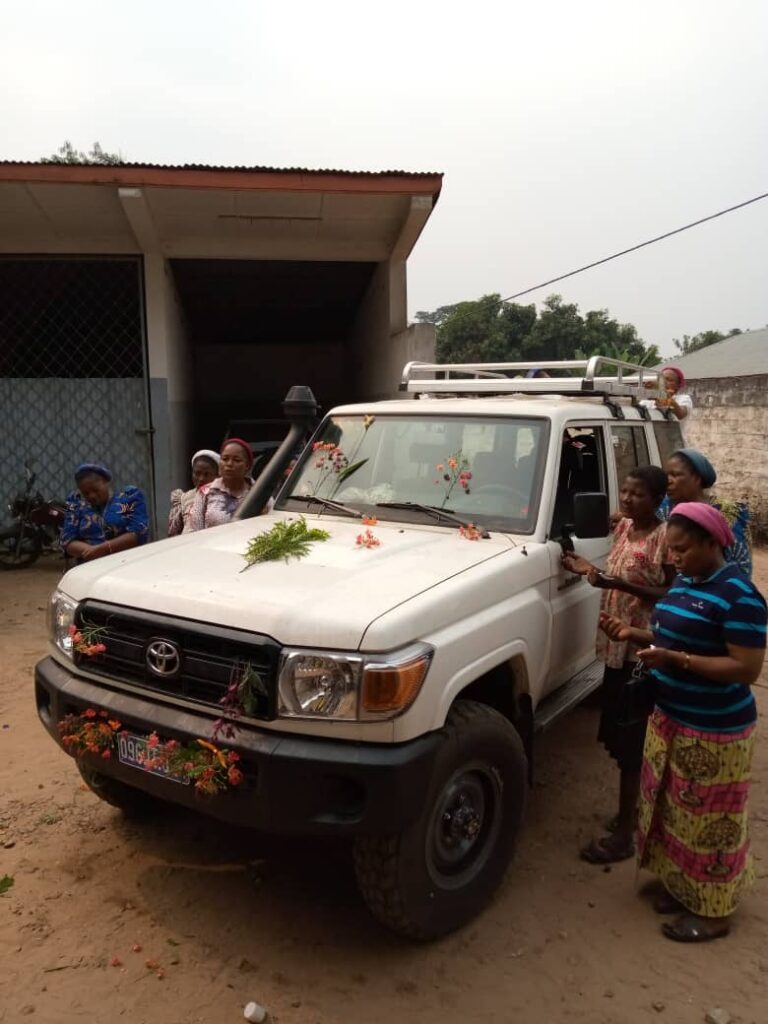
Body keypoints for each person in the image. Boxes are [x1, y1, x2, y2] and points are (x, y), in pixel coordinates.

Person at [600, 503, 766, 942]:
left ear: (713, 543)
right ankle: (682, 887)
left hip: (714, 729)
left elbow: (745, 669)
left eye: (683, 549)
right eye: (671, 549)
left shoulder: (739, 596)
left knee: (710, 821)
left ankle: (714, 911)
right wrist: (633, 634)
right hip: (670, 716)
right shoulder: (688, 581)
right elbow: (672, 633)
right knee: (673, 810)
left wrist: (678, 660)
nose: (674, 558)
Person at [562, 465, 674, 863]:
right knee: (617, 734)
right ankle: (630, 815)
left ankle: (626, 834)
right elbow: (611, 574)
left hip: (640, 649)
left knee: (631, 743)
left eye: (637, 494)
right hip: (614, 648)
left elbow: (671, 591)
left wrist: (617, 584)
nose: (627, 500)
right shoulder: (624, 528)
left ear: (659, 500)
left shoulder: (665, 538)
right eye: (624, 492)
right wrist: (588, 571)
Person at [659, 448, 752, 578]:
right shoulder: (662, 508)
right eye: (666, 475)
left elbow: (740, 564)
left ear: (697, 478)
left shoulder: (726, 512)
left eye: (675, 475)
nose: (668, 481)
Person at [61, 463, 149, 562]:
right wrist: (93, 553)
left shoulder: (127, 500)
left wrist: (103, 549)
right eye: (86, 493)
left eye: (95, 490)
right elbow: (67, 540)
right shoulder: (74, 504)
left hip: (125, 562)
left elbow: (138, 533)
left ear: (106, 482)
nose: (91, 496)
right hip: (90, 565)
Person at [186, 438, 253, 532]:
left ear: (247, 466)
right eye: (225, 459)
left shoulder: (259, 492)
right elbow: (195, 531)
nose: (229, 464)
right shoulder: (205, 492)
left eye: (237, 460)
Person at [167, 449, 220, 536]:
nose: (201, 478)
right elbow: (173, 533)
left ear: (217, 475)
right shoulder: (184, 498)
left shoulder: (223, 498)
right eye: (197, 473)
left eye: (207, 474)